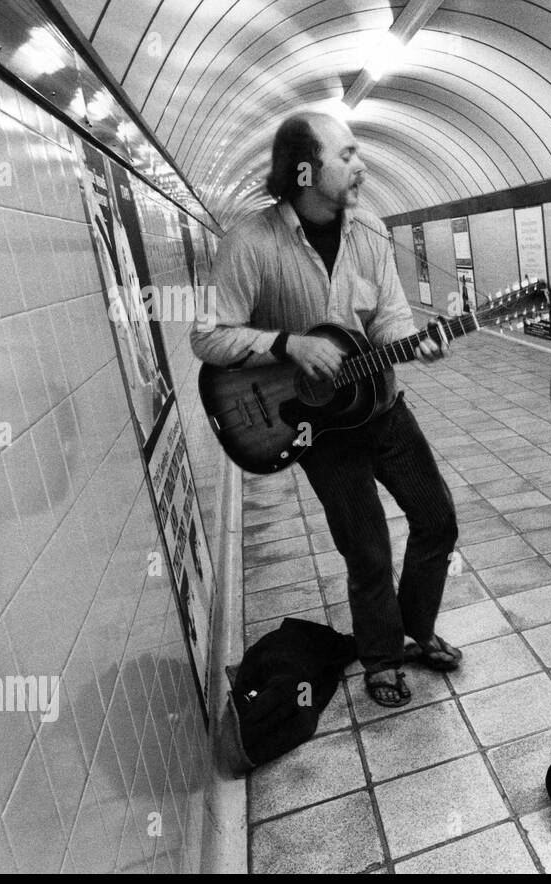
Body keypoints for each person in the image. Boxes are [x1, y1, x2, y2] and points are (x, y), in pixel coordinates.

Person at [190, 111, 461, 710]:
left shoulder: (370, 230)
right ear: (305, 170)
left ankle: (416, 633)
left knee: (438, 521)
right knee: (366, 549)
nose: (362, 164)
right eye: (349, 154)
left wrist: (419, 342)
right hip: (320, 430)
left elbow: (388, 314)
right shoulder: (249, 244)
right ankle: (381, 657)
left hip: (384, 407)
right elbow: (207, 338)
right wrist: (287, 344)